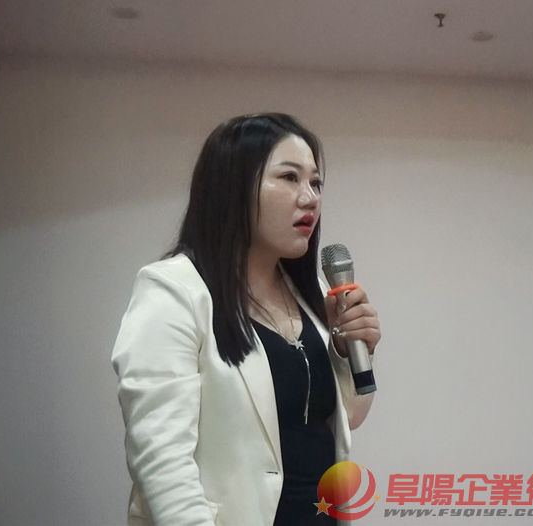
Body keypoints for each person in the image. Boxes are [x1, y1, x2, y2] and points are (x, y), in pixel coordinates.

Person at [112, 113, 379, 526]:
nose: (310, 198)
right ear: (233, 187)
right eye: (289, 177)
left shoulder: (308, 295)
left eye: (316, 182)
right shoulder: (173, 291)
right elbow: (162, 462)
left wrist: (346, 351)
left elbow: (342, 421)